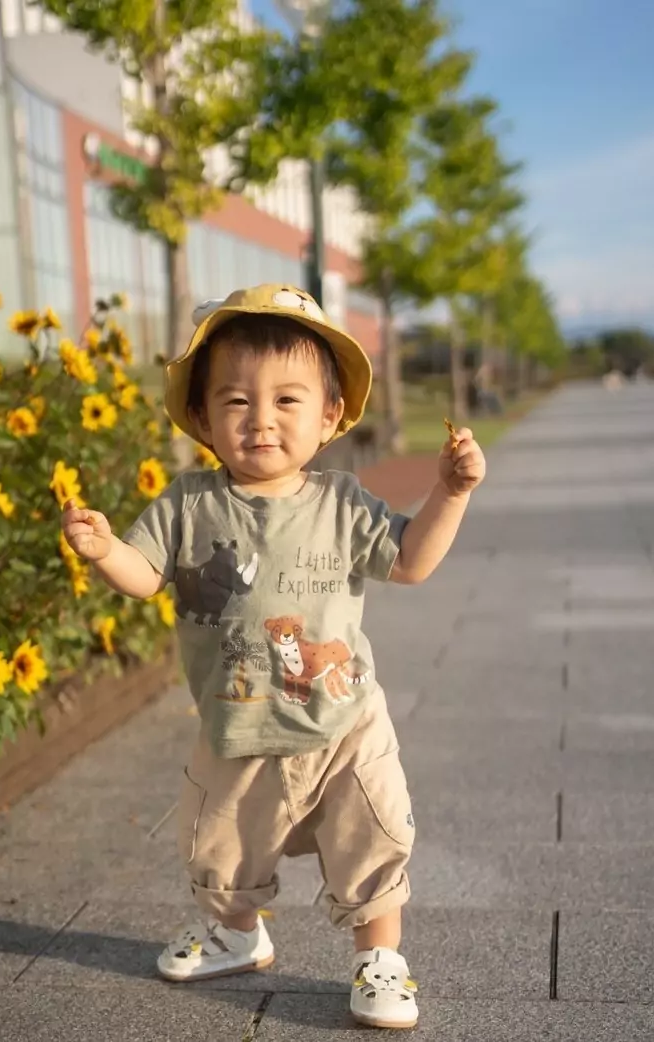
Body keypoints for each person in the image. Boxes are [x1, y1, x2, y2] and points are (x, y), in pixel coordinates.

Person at [62, 284, 486, 1030]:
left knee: (371, 837)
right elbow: (143, 575)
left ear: (328, 416)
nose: (260, 420)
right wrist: (104, 550)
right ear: (200, 416)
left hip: (343, 724)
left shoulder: (343, 503)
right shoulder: (186, 506)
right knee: (218, 846)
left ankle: (379, 958)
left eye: (287, 401)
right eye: (235, 402)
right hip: (237, 725)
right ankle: (236, 933)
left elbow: (412, 561)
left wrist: (448, 493)